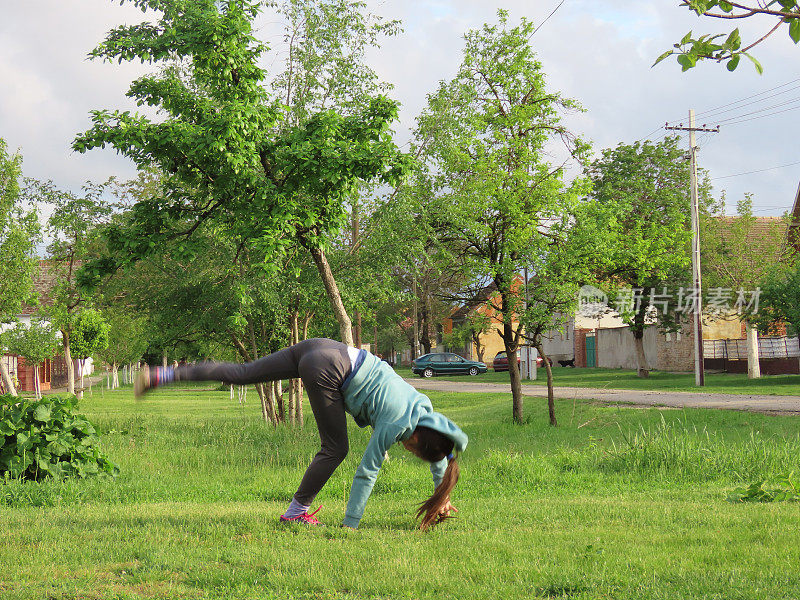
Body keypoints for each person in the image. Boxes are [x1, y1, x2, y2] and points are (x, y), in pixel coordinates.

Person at [135, 338, 467, 530]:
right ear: (415, 439)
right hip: (332, 368)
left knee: (242, 373)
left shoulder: (425, 410)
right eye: (413, 450)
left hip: (324, 348)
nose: (407, 449)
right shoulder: (396, 422)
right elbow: (367, 473)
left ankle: (160, 375)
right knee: (335, 448)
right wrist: (350, 526)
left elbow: (445, 452)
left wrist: (443, 496)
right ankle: (295, 512)